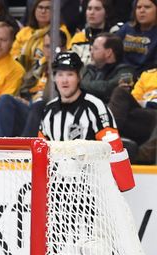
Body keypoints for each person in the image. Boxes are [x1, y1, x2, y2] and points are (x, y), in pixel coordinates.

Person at [40, 51, 134, 192]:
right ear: (54, 78)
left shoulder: (95, 106)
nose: (64, 80)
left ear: (79, 77)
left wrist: (123, 184)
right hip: (58, 187)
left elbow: (112, 143)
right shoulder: (49, 111)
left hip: (92, 188)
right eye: (60, 74)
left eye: (70, 74)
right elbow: (42, 151)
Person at [0, 30, 61, 137]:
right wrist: (21, 99)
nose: (49, 51)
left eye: (52, 47)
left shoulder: (64, 72)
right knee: (5, 99)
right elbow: (24, 88)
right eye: (46, 46)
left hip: (46, 112)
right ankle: (0, 145)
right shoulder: (38, 66)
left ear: (62, 48)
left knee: (38, 105)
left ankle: (25, 147)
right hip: (29, 109)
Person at [108, 66, 157, 161]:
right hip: (145, 115)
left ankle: (141, 156)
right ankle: (109, 138)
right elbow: (135, 98)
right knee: (120, 92)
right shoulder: (148, 75)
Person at [12, 0, 71, 72]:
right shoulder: (24, 31)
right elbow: (13, 53)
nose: (43, 11)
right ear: (34, 10)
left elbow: (64, 53)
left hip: (47, 71)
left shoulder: (60, 32)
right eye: (40, 7)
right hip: (21, 72)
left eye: (48, 8)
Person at [81, 33, 134, 102]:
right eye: (91, 48)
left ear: (108, 52)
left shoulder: (126, 71)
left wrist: (77, 83)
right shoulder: (89, 68)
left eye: (95, 49)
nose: (91, 52)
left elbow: (108, 88)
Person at [68, 0, 121, 65]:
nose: (92, 12)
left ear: (106, 13)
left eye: (97, 9)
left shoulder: (115, 35)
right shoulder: (79, 37)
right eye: (89, 9)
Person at [116, 0, 157, 75]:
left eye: (147, 7)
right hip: (121, 73)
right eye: (138, 7)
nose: (142, 11)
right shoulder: (126, 28)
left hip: (147, 76)